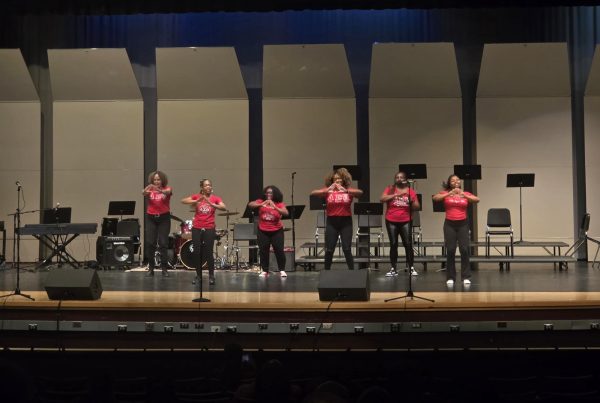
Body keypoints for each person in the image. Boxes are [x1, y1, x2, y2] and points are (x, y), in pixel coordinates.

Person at [311, 168, 363, 270]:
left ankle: (352, 272)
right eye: (335, 179)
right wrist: (327, 189)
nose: (337, 181)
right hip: (332, 222)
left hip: (346, 222)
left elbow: (360, 192)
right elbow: (313, 193)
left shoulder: (348, 190)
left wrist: (346, 190)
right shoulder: (329, 191)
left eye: (339, 179)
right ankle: (326, 271)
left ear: (343, 179)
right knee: (329, 249)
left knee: (347, 249)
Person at [432, 174, 480, 286]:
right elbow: (435, 198)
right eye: (453, 181)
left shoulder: (465, 193)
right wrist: (449, 193)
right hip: (449, 224)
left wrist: (463, 195)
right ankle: (450, 277)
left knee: (464, 249)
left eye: (457, 180)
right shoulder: (446, 193)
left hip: (463, 224)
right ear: (450, 183)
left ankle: (466, 276)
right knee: (450, 250)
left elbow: (477, 199)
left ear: (460, 182)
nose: (455, 182)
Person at [181, 179, 226, 285]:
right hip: (197, 227)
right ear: (202, 187)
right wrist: (196, 201)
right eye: (206, 185)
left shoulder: (215, 198)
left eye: (210, 185)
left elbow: (223, 207)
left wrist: (211, 203)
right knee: (197, 252)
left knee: (209, 252)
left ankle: (211, 276)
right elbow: (183, 201)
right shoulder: (197, 197)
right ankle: (198, 276)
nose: (208, 187)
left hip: (209, 227)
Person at [380, 171, 420, 277]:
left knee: (408, 244)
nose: (399, 178)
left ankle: (411, 267)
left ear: (405, 179)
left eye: (401, 177)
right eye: (397, 177)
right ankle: (393, 268)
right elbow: (382, 199)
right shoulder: (390, 189)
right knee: (393, 244)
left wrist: (411, 201)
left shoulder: (410, 191)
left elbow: (417, 207)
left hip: (406, 220)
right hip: (391, 220)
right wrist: (395, 195)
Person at [248, 186, 289, 278]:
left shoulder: (279, 203)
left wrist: (274, 207)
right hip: (263, 230)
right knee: (263, 251)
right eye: (267, 193)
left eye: (271, 193)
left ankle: (282, 270)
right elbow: (250, 204)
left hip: (277, 231)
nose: (269, 194)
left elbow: (286, 213)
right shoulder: (261, 201)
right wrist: (261, 204)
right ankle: (265, 270)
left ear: (275, 194)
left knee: (279, 250)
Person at [142, 170, 172, 277]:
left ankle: (164, 269)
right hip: (151, 218)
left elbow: (168, 192)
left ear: (162, 180)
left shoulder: (167, 188)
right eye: (155, 180)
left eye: (158, 179)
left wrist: (159, 190)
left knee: (163, 243)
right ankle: (151, 268)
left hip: (164, 218)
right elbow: (143, 192)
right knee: (151, 243)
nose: (156, 181)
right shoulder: (150, 189)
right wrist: (149, 187)